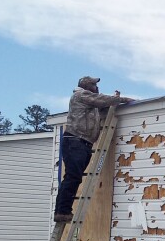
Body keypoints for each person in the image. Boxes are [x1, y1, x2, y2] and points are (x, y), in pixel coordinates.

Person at [53, 76, 134, 222]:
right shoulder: (80, 95)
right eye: (95, 85)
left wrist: (114, 99)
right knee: (72, 177)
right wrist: (124, 99)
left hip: (83, 142)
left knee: (74, 177)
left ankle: (63, 211)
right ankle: (62, 211)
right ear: (88, 86)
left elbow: (103, 104)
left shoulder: (89, 102)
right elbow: (101, 100)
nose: (97, 88)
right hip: (75, 140)